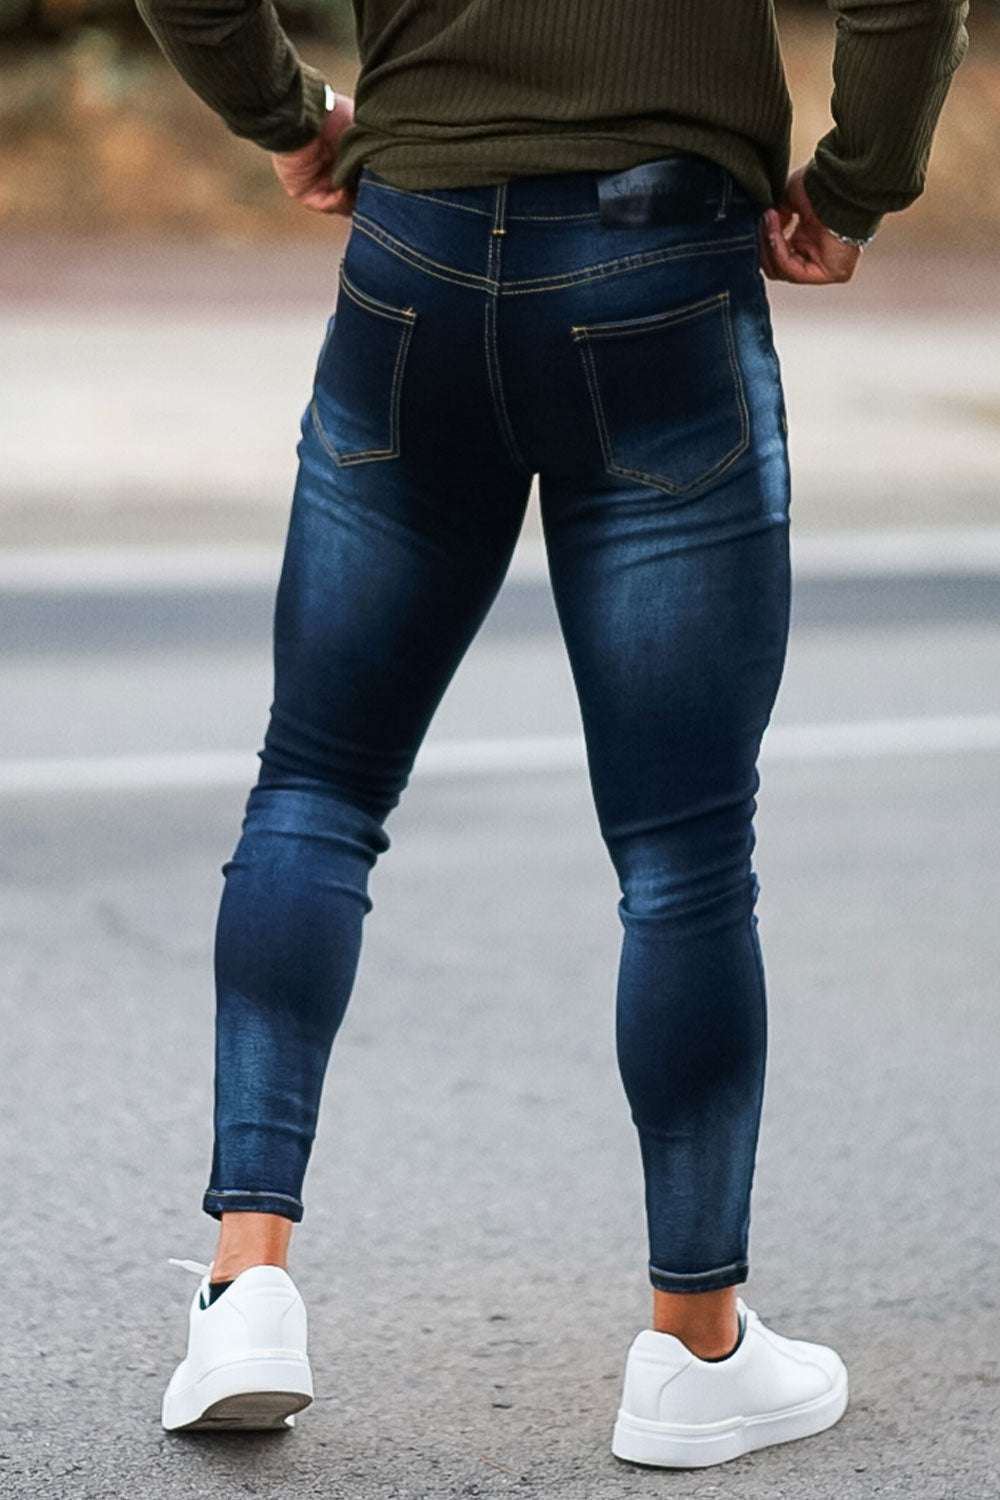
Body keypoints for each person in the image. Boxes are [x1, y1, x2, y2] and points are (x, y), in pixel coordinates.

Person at [137, 0, 968, 1467]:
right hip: (664, 264)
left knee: (316, 786)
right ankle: (694, 1352)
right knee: (685, 857)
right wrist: (856, 185)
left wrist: (282, 113)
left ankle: (245, 1290)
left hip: (416, 247)